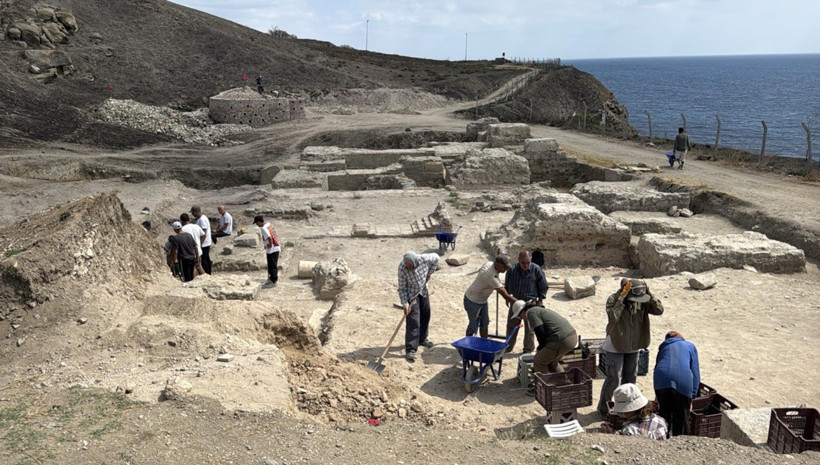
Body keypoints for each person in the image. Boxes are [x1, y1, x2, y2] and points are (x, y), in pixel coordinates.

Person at [596, 278, 664, 418]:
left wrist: (650, 294)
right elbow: (613, 317)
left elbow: (659, 310)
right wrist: (621, 299)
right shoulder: (614, 299)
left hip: (634, 344)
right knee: (614, 378)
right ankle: (604, 409)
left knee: (630, 378)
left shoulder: (642, 300)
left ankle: (628, 409)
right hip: (616, 344)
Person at [511, 301, 577, 396]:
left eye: (520, 316)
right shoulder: (538, 310)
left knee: (539, 361)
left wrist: (541, 347)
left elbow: (540, 331)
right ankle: (566, 385)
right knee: (552, 363)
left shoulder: (531, 313)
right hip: (571, 338)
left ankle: (544, 389)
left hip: (561, 340)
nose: (521, 319)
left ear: (523, 311)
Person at [654, 330, 700, 437]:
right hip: (683, 379)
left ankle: (662, 439)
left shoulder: (663, 347)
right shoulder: (690, 346)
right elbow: (695, 373)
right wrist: (692, 397)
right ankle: (680, 443)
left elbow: (658, 367)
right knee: (682, 417)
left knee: (664, 413)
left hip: (661, 379)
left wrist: (657, 395)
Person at [397, 251, 440, 362]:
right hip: (411, 296)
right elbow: (402, 289)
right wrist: (405, 304)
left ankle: (422, 339)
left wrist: (429, 273)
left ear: (415, 263)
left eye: (409, 265)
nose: (407, 267)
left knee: (426, 315)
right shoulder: (402, 269)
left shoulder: (424, 259)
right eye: (406, 265)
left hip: (423, 291)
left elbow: (436, 258)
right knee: (413, 321)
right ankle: (411, 349)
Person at [504, 250, 548, 354]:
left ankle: (528, 349)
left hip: (530, 303)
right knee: (511, 325)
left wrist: (540, 300)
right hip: (516, 302)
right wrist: (507, 297)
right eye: (523, 263)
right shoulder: (512, 270)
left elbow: (543, 285)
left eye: (528, 262)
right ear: (519, 260)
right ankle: (508, 347)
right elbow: (507, 284)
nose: (526, 265)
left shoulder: (536, 270)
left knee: (529, 329)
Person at [463, 255, 517, 338]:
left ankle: (483, 344)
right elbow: (506, 296)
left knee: (485, 323)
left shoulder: (489, 263)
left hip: (482, 300)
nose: (506, 269)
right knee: (472, 326)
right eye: (504, 267)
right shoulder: (491, 276)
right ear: (497, 265)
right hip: (472, 301)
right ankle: (467, 344)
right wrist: (521, 303)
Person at [602, 383, 669, 440]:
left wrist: (611, 433)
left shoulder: (629, 430)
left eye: (622, 411)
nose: (622, 414)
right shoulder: (661, 421)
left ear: (629, 411)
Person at [254, 215, 280, 286]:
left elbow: (269, 238)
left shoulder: (263, 228)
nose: (257, 225)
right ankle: (271, 279)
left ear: (259, 222)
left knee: (272, 265)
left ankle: (273, 281)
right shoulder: (268, 224)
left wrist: (269, 245)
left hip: (272, 249)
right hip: (275, 247)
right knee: (272, 265)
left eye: (256, 223)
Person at [191, 206, 212, 275]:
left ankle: (207, 273)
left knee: (204, 260)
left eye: (193, 212)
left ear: (197, 211)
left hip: (204, 243)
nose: (192, 214)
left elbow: (204, 234)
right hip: (205, 243)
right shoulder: (201, 219)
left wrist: (200, 244)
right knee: (206, 259)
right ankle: (208, 273)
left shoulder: (202, 220)